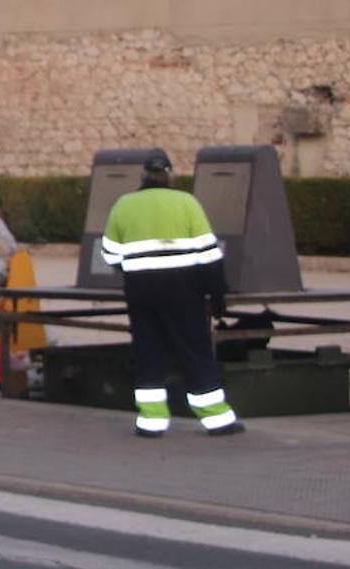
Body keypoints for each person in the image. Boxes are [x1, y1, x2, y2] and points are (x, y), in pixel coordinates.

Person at [101, 149, 244, 438]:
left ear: (142, 176)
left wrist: (137, 266)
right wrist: (217, 295)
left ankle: (151, 421)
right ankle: (216, 418)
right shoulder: (187, 203)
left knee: (148, 350)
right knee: (194, 349)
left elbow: (110, 254)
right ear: (169, 175)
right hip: (184, 290)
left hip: (141, 291)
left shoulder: (123, 205)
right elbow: (209, 254)